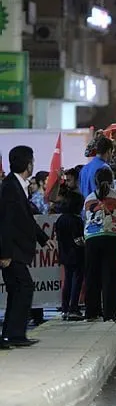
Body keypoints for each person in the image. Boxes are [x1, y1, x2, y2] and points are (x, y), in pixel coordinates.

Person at [0, 146, 56, 348]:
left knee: (18, 290)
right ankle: (14, 335)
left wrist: (43, 238)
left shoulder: (16, 186)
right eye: (32, 160)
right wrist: (4, 253)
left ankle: (12, 335)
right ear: (27, 163)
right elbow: (5, 222)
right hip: (11, 251)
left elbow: (26, 219)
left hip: (14, 250)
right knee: (24, 287)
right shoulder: (9, 187)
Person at [84, 166, 116, 322]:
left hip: (91, 238)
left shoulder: (89, 197)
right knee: (111, 276)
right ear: (112, 180)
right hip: (111, 237)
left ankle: (92, 312)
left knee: (93, 276)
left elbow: (85, 218)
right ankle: (110, 313)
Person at [55, 191, 86, 321]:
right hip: (77, 254)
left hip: (64, 254)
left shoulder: (60, 219)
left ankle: (65, 308)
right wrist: (86, 246)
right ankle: (74, 308)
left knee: (67, 281)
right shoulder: (76, 220)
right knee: (77, 281)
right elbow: (78, 239)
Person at [80, 135, 113, 199]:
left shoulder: (84, 169)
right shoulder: (105, 168)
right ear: (109, 151)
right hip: (99, 207)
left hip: (85, 207)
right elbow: (109, 194)